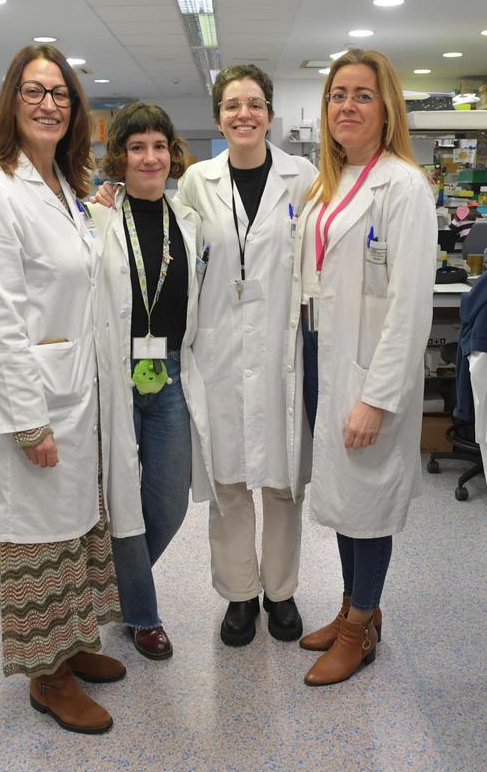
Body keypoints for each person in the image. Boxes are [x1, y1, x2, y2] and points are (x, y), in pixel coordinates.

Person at [0, 44, 124, 735]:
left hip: (79, 392)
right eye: (34, 91)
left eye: (60, 93)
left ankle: (76, 644)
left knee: (76, 532)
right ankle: (46, 676)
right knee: (39, 542)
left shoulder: (64, 184)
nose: (48, 104)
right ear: (12, 101)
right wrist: (28, 422)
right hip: (37, 400)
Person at [290, 49, 436, 686]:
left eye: (361, 95)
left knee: (369, 501)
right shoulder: (331, 182)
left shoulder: (403, 185)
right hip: (325, 357)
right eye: (336, 95)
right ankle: (355, 610)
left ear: (387, 109)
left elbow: (409, 307)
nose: (346, 106)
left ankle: (358, 631)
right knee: (347, 499)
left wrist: (377, 397)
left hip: (370, 369)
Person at [174, 65, 318, 647]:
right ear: (218, 116)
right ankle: (239, 596)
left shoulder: (303, 177)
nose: (244, 114)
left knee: (284, 482)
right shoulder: (195, 182)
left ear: (270, 114)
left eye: (255, 104)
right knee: (227, 481)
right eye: (232, 105)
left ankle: (280, 592)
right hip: (220, 351)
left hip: (285, 351)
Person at [89, 102, 213, 661]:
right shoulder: (95, 218)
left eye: (159, 146)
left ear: (172, 153)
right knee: (122, 496)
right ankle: (142, 614)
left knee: (169, 500)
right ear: (120, 155)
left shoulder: (185, 217)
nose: (150, 157)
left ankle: (114, 587)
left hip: (169, 368)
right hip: (114, 369)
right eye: (137, 147)